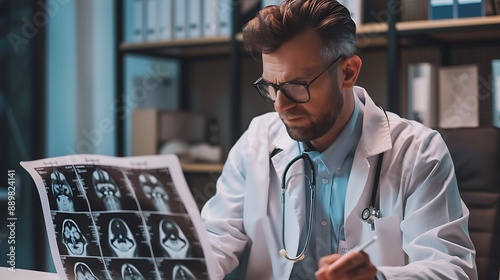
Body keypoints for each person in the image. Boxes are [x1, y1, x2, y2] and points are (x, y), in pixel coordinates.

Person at [200, 0, 477, 279]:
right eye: (271, 87)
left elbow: (452, 269)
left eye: (297, 86)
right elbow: (215, 239)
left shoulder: (418, 151)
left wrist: (377, 278)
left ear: (348, 72)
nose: (280, 106)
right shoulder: (257, 139)